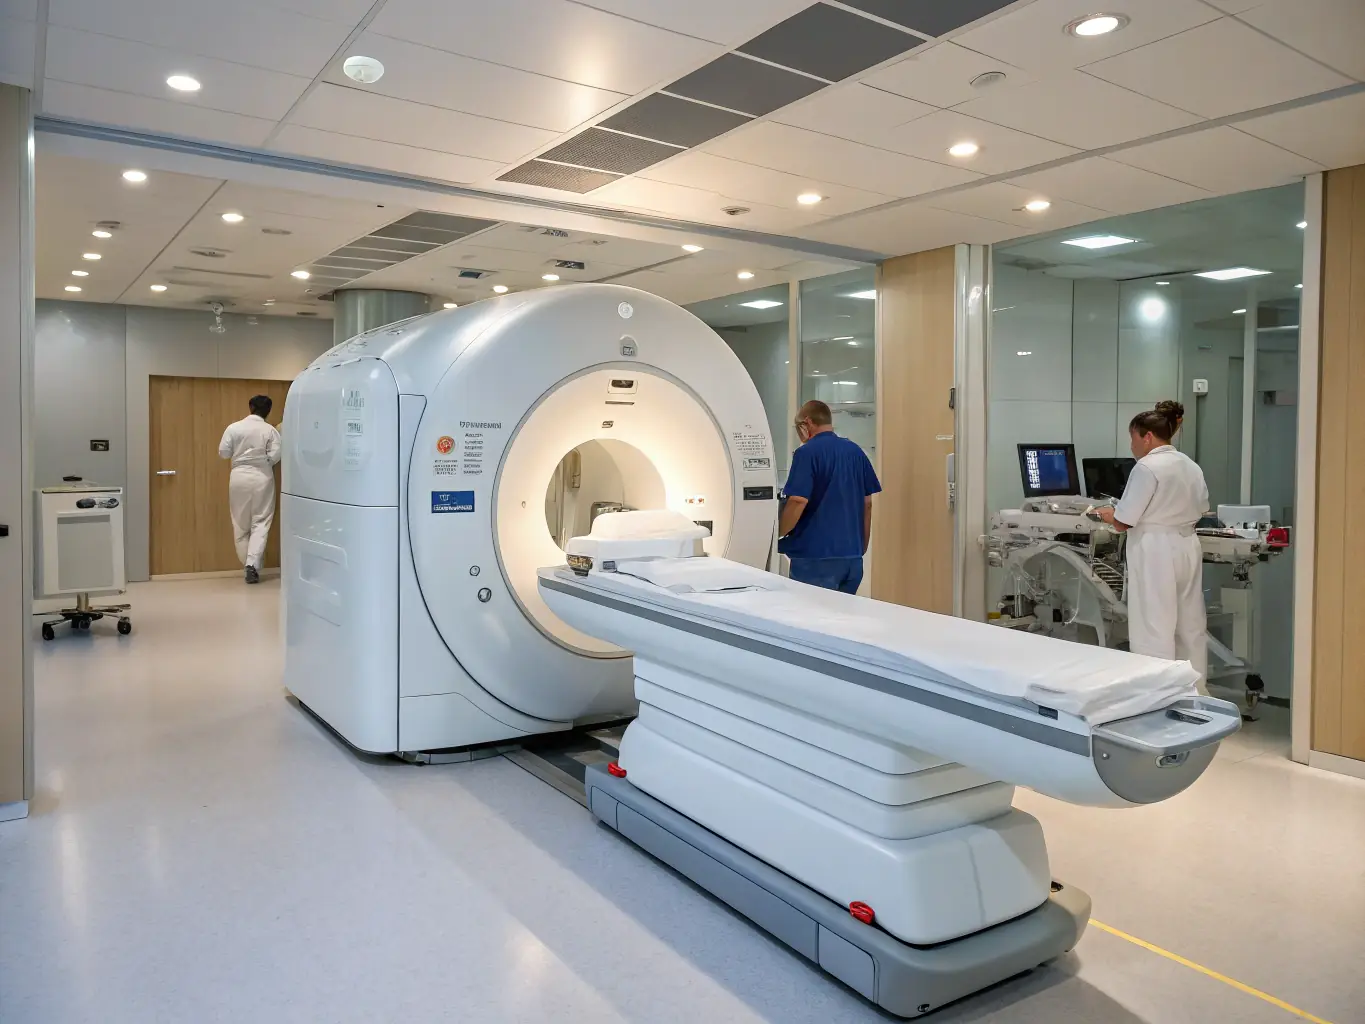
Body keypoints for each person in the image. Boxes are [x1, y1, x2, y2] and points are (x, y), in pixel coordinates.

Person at [1095, 400, 1210, 691]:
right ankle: (1194, 691)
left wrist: (1108, 514)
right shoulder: (1190, 465)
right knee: (1190, 624)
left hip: (1156, 549)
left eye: (1133, 438)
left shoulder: (1147, 467)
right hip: (1187, 544)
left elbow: (1123, 521)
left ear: (1147, 436)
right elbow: (1202, 507)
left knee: (1153, 625)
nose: (1131, 445)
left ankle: (1156, 695)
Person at [778, 399, 881, 593]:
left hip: (815, 559)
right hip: (852, 560)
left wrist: (779, 532)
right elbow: (867, 504)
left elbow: (798, 501)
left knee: (810, 611)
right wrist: (861, 547)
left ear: (807, 423)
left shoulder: (806, 453)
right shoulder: (856, 452)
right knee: (842, 612)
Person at [218, 395, 282, 584]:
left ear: (251, 407)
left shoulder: (234, 428)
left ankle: (249, 565)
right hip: (263, 476)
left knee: (240, 524)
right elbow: (276, 454)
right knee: (261, 521)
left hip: (239, 477)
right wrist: (264, 461)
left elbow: (223, 453)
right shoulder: (270, 431)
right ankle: (252, 565)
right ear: (268, 411)